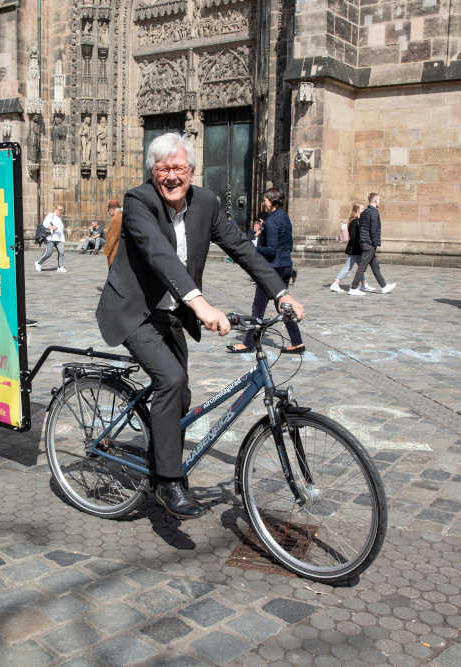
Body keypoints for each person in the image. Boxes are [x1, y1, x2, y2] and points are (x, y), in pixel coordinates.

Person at [96, 133, 305, 519]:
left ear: (192, 171)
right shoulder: (139, 201)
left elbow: (242, 248)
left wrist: (280, 294)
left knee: (181, 394)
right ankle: (168, 481)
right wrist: (201, 303)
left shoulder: (206, 203)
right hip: (134, 311)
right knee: (171, 381)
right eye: (163, 169)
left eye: (178, 168)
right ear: (152, 173)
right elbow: (160, 256)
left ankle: (165, 460)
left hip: (171, 314)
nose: (171, 176)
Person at [227, 189, 305, 354]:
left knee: (258, 308)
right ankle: (297, 343)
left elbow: (270, 250)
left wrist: (254, 245)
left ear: (271, 201)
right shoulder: (284, 217)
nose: (263, 203)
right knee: (282, 306)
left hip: (273, 269)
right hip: (285, 266)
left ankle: (248, 343)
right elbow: (287, 244)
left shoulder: (271, 222)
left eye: (264, 200)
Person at [349, 192, 396, 295]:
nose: (380, 202)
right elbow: (374, 230)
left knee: (375, 266)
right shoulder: (374, 212)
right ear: (375, 201)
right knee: (362, 267)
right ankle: (353, 288)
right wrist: (375, 244)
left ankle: (384, 286)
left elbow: (363, 228)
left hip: (365, 243)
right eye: (379, 200)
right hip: (369, 244)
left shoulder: (365, 212)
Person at [329, 203, 375, 293]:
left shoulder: (357, 220)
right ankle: (335, 283)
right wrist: (363, 244)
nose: (364, 210)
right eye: (362, 209)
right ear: (357, 210)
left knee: (361, 267)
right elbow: (354, 238)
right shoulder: (354, 222)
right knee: (348, 267)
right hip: (354, 249)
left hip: (356, 249)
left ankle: (364, 285)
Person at [35, 204, 66, 272]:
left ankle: (60, 267)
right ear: (55, 209)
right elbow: (45, 223)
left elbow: (61, 228)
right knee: (48, 253)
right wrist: (51, 227)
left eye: (62, 210)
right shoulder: (51, 215)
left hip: (59, 238)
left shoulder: (60, 218)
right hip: (51, 238)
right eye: (59, 210)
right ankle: (38, 263)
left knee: (61, 252)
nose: (61, 211)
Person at [101, 199, 122, 267]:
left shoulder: (116, 218)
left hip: (115, 253)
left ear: (112, 209)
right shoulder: (121, 216)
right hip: (119, 253)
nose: (108, 212)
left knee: (113, 274)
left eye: (108, 209)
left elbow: (112, 237)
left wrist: (106, 252)